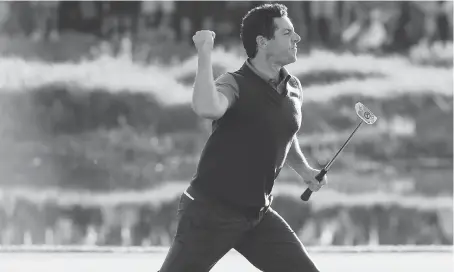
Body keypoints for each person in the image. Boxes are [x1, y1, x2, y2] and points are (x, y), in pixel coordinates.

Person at [159, 3, 327, 272]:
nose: (297, 38)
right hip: (209, 213)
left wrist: (305, 170)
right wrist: (204, 54)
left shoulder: (293, 86)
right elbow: (207, 108)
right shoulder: (234, 83)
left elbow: (282, 131)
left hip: (257, 216)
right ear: (262, 42)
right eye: (287, 33)